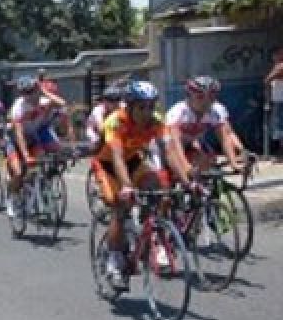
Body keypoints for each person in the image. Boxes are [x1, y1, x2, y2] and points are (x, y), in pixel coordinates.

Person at [92, 81, 193, 287]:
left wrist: (187, 182)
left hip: (134, 160)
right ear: (129, 106)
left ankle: (153, 233)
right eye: (142, 107)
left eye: (151, 106)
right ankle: (114, 258)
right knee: (120, 208)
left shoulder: (156, 121)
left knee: (160, 188)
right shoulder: (115, 121)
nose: (147, 112)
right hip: (108, 164)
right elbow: (117, 157)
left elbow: (170, 153)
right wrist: (127, 187)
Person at [5, 76, 66, 218]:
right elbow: (19, 134)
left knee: (40, 165)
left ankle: (36, 188)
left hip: (33, 138)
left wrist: (44, 92)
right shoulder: (18, 107)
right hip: (15, 141)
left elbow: (62, 103)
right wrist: (26, 155)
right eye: (25, 92)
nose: (29, 95)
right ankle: (12, 198)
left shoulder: (44, 101)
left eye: (31, 91)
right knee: (19, 172)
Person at [165, 75, 247, 175]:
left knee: (206, 163)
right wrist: (186, 166)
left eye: (211, 97)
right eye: (200, 97)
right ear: (189, 97)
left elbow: (225, 138)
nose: (206, 102)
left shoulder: (215, 110)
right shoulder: (178, 112)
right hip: (169, 148)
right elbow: (175, 143)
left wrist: (234, 164)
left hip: (189, 145)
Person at [85, 85, 124, 155]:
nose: (115, 103)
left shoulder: (122, 105)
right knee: (97, 142)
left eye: (118, 99)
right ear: (104, 101)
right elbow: (101, 129)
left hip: (111, 127)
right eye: (111, 100)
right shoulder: (98, 110)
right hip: (94, 130)